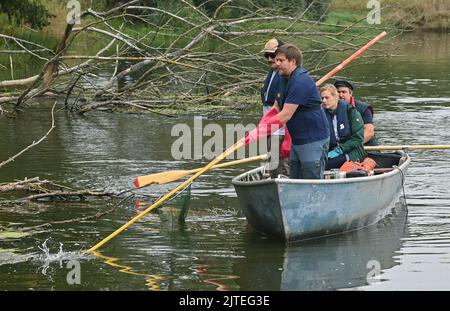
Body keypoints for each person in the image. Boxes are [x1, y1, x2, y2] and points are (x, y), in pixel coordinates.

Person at [271, 44, 330, 179]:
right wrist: (260, 127)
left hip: (313, 140)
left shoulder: (302, 82)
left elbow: (286, 114)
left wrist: (260, 131)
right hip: (297, 140)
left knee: (311, 180)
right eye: (276, 60)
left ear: (293, 62)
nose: (276, 63)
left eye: (281, 60)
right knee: (295, 178)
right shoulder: (281, 79)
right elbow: (276, 109)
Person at [260, 38, 289, 177]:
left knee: (279, 165)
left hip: (280, 129)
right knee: (273, 164)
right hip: (269, 127)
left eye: (273, 55)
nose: (270, 59)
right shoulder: (272, 72)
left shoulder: (285, 75)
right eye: (267, 56)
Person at [320, 84, 365, 169]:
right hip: (331, 151)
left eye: (327, 98)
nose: (324, 101)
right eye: (322, 98)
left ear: (335, 97)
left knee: (324, 165)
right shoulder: (322, 115)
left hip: (351, 151)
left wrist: (340, 149)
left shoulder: (351, 112)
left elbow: (358, 137)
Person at [334, 80, 378, 146]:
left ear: (350, 93)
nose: (340, 95)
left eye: (343, 92)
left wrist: (351, 145)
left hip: (365, 144)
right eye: (338, 92)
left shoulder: (363, 108)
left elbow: (369, 132)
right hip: (340, 144)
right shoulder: (329, 108)